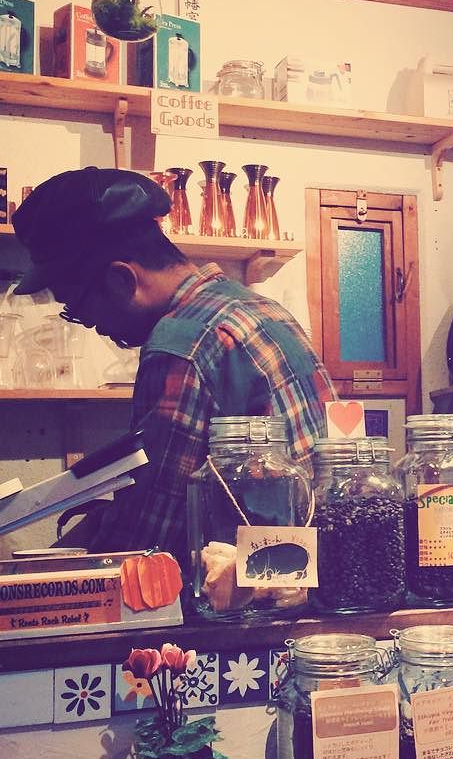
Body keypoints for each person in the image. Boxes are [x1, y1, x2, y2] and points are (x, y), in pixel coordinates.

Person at [12, 166, 335, 559]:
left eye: (77, 307)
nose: (90, 325)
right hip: (312, 568)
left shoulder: (182, 343)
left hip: (253, 583)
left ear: (121, 280)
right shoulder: (263, 309)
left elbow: (148, 541)